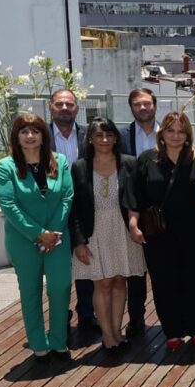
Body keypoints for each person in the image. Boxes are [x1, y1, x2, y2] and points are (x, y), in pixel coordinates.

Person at [127, 111, 195, 351]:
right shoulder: (147, 159)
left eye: (181, 130)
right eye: (170, 130)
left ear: (188, 134)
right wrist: (133, 224)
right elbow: (135, 197)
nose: (175, 136)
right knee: (164, 282)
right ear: (162, 133)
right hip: (158, 233)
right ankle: (172, 332)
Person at [0, 113, 74, 361]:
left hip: (58, 238)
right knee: (30, 290)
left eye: (35, 131)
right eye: (24, 131)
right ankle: (38, 343)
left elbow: (67, 197)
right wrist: (39, 234)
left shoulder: (59, 161)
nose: (30, 136)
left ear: (44, 136)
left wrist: (52, 233)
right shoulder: (6, 166)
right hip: (23, 240)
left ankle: (59, 340)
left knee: (60, 287)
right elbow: (8, 204)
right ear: (16, 137)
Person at [70, 117, 145, 352]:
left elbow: (137, 200)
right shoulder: (80, 166)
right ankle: (107, 335)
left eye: (109, 135)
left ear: (115, 138)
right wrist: (79, 241)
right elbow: (73, 209)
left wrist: (135, 224)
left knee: (120, 280)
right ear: (90, 139)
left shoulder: (129, 163)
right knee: (102, 283)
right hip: (95, 232)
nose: (104, 140)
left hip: (123, 230)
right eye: (99, 135)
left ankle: (117, 332)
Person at [48, 89, 94, 334]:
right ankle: (60, 317)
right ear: (50, 107)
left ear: (77, 107)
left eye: (69, 104)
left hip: (85, 209)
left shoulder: (89, 136)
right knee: (58, 271)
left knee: (86, 264)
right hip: (52, 212)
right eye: (59, 104)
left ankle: (87, 315)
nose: (64, 109)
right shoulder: (40, 136)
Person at [119, 88, 158, 339]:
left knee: (164, 268)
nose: (142, 108)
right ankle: (136, 319)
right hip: (130, 210)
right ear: (131, 107)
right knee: (134, 271)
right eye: (137, 104)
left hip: (160, 211)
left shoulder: (168, 133)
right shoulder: (121, 136)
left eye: (146, 103)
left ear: (155, 105)